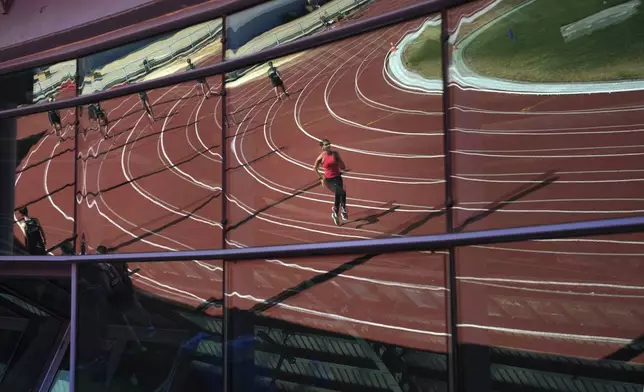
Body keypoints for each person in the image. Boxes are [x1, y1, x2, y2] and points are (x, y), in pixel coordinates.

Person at [313, 139, 348, 225]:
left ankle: (336, 213)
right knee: (340, 192)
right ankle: (343, 209)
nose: (328, 145)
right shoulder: (321, 157)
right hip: (329, 180)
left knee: (340, 193)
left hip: (338, 177)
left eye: (329, 144)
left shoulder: (335, 154)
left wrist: (340, 163)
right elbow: (315, 168)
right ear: (322, 147)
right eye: (326, 144)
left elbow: (342, 166)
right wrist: (321, 178)